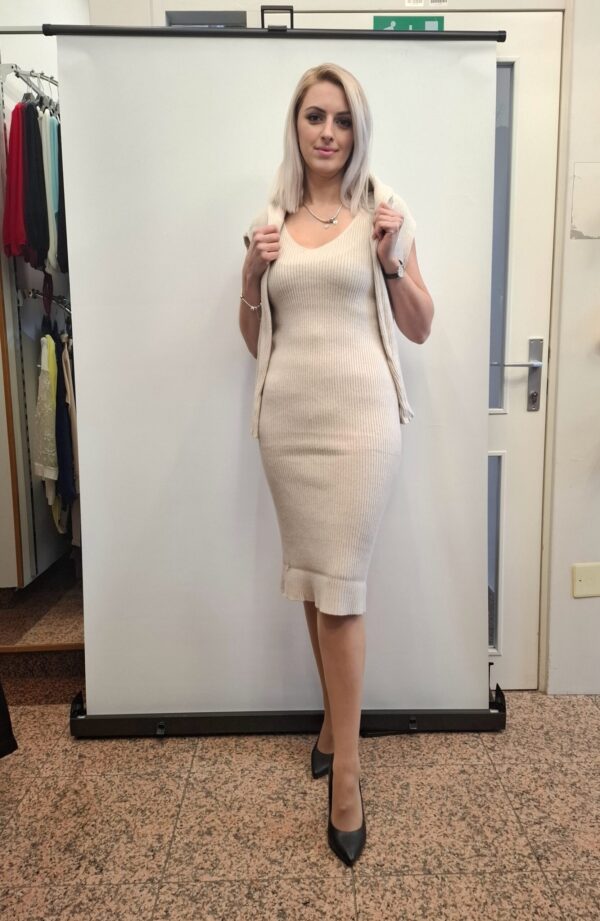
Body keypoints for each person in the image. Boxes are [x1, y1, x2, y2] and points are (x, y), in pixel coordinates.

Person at [239, 63, 434, 866]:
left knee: (343, 591)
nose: (328, 131)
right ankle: (331, 723)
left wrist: (392, 260)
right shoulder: (270, 220)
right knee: (318, 583)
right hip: (288, 426)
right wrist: (251, 275)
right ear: (296, 126)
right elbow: (255, 338)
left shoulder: (384, 212)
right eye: (315, 116)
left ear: (359, 131)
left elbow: (420, 325)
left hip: (361, 427)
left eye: (343, 119)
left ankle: (346, 774)